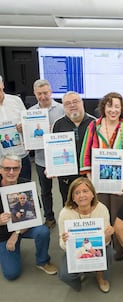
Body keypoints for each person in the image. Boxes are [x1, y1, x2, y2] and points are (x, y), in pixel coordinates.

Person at [80, 92, 123, 260]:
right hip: (96, 183)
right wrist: (91, 181)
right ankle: (101, 251)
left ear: (122, 109)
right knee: (100, 215)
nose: (113, 110)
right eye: (109, 106)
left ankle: (121, 251)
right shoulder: (94, 126)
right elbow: (85, 153)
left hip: (121, 182)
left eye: (117, 107)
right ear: (103, 107)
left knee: (119, 216)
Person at [0, 154, 57, 280]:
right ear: (0, 169)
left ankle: (42, 261)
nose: (11, 172)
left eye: (15, 168)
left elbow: (33, 216)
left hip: (23, 228)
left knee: (42, 231)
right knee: (11, 274)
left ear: (20, 169)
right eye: (7, 168)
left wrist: (16, 234)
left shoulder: (26, 185)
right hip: (2, 234)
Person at [58, 177, 114, 293]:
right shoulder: (65, 213)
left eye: (85, 191)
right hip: (74, 251)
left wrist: (108, 235)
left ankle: (100, 276)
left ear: (93, 194)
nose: (81, 195)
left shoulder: (101, 209)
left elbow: (106, 242)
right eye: (77, 193)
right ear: (72, 197)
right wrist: (65, 241)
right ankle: (78, 278)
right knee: (65, 275)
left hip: (97, 247)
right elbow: (63, 246)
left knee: (109, 252)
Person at [29, 79, 65, 229]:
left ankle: (66, 217)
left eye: (45, 93)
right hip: (41, 159)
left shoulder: (63, 108)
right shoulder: (30, 113)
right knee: (45, 191)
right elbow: (29, 136)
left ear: (50, 92)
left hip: (61, 159)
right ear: (35, 94)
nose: (43, 96)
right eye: (39, 94)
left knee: (65, 191)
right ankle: (49, 217)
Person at [53, 91, 95, 206]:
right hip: (66, 178)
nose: (72, 105)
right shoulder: (58, 125)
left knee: (89, 207)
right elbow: (54, 150)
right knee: (68, 206)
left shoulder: (95, 123)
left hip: (89, 177)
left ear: (82, 103)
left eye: (75, 102)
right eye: (67, 103)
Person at [0, 75, 31, 180]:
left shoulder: (16, 100)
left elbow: (27, 122)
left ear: (3, 85)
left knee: (24, 186)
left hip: (21, 155)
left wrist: (24, 127)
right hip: (1, 158)